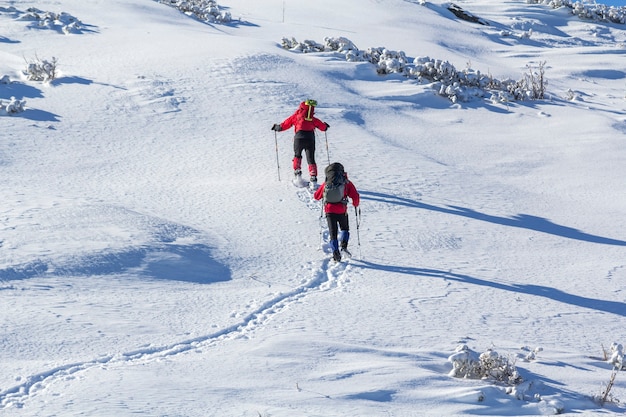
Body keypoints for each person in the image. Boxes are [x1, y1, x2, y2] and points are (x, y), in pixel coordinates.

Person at [271, 99, 329, 185]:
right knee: (311, 159)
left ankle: (298, 174)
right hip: (310, 139)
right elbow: (323, 127)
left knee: (297, 155)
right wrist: (325, 126)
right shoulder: (312, 118)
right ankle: (313, 178)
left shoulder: (296, 116)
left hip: (298, 138)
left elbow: (285, 125)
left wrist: (277, 127)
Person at [313, 163, 360, 262]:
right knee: (344, 228)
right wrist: (355, 204)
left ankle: (335, 253)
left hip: (329, 211)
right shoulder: (346, 182)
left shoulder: (326, 183)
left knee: (333, 233)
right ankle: (343, 246)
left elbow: (316, 196)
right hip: (342, 210)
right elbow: (355, 195)